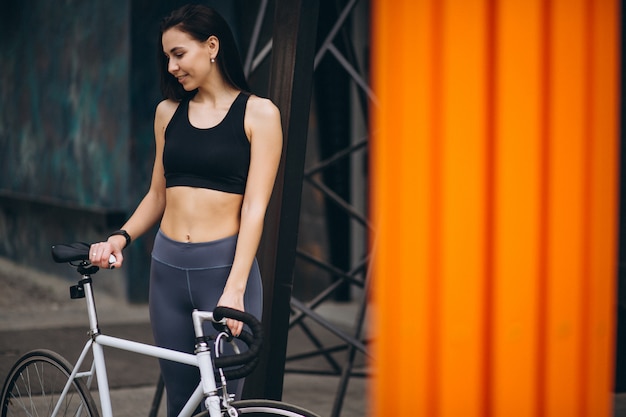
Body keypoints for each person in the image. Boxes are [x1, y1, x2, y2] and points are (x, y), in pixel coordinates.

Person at [88, 4, 282, 416]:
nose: (172, 66)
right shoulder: (167, 113)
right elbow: (158, 195)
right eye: (167, 58)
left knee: (223, 403)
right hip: (167, 272)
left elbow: (255, 208)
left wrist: (235, 287)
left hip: (224, 273)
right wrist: (120, 237)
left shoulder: (259, 114)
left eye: (179, 53)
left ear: (211, 46)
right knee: (182, 403)